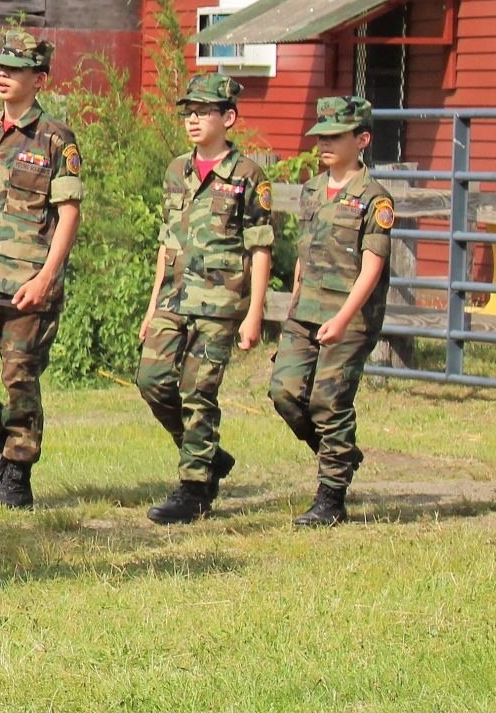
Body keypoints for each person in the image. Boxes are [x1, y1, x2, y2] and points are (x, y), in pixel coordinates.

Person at [0, 29, 84, 512]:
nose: (4, 76)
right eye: (0, 68)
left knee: (19, 376)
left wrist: (46, 277)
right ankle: (0, 442)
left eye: (16, 70)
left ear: (39, 78)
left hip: (28, 281)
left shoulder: (55, 138)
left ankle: (18, 473)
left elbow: (68, 212)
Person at [135, 72, 274, 525]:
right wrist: (153, 304)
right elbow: (166, 242)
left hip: (219, 303)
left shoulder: (248, 176)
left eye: (203, 112)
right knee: (151, 379)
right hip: (174, 297)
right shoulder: (177, 171)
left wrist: (254, 314)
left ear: (228, 117)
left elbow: (259, 248)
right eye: (188, 112)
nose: (193, 120)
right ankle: (208, 454)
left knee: (199, 391)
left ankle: (195, 488)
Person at [270, 95, 395, 527]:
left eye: (334, 136)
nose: (323, 143)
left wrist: (342, 321)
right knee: (284, 393)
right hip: (306, 310)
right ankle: (340, 452)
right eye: (320, 136)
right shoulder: (311, 190)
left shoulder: (374, 199)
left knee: (328, 400)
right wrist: (293, 304)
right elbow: (305, 255)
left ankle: (331, 497)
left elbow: (373, 267)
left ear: (362, 139)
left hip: (350, 315)